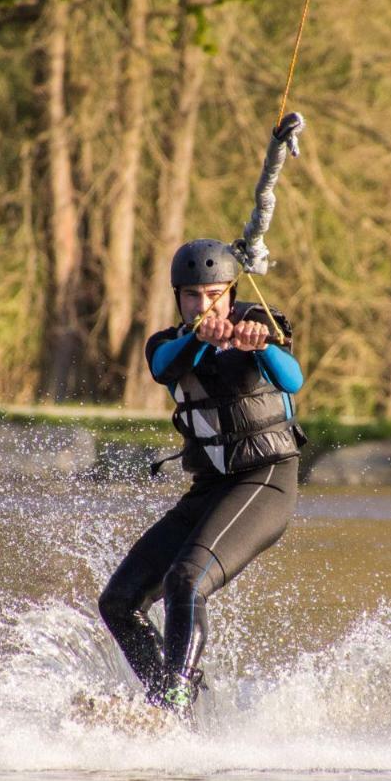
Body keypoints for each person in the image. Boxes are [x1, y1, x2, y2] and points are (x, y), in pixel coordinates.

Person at [97, 237, 306, 724]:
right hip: (209, 489)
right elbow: (164, 367)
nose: (204, 304)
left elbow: (292, 379)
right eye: (193, 295)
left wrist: (260, 343)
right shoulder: (167, 345)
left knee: (185, 580)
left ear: (231, 292)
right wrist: (201, 337)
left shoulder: (262, 328)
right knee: (119, 603)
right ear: (179, 298)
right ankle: (180, 710)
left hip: (266, 481)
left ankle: (171, 703)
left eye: (214, 294)